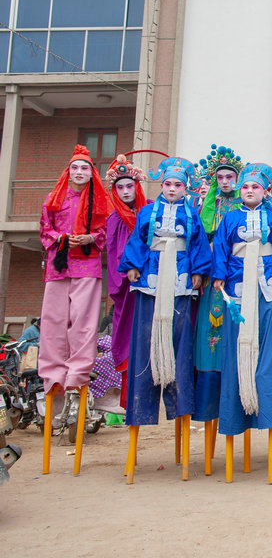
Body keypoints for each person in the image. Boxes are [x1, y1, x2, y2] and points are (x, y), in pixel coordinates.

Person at [119, 157, 212, 432]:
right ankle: (142, 407)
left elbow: (198, 244)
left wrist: (198, 271)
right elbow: (137, 240)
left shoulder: (192, 215)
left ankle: (180, 403)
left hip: (180, 277)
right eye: (168, 184)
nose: (172, 189)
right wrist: (133, 266)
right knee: (145, 337)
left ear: (187, 188)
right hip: (151, 277)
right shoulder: (146, 213)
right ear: (161, 185)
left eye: (178, 184)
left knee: (180, 339)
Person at [211, 163, 272, 456]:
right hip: (236, 290)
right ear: (240, 190)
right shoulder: (229, 218)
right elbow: (220, 249)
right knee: (237, 349)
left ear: (265, 191)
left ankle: (268, 415)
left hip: (268, 289)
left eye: (255, 187)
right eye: (245, 186)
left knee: (270, 352)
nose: (249, 191)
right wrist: (219, 276)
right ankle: (237, 413)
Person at [38, 144, 109, 400]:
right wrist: (62, 238)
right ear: (68, 171)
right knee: (53, 319)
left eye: (85, 168)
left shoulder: (100, 200)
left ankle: (78, 373)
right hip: (59, 264)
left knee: (84, 321)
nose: (79, 172)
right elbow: (45, 228)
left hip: (87, 265)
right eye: (75, 167)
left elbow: (106, 231)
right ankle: (52, 374)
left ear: (92, 173)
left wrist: (91, 237)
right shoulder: (54, 198)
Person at [194, 144, 243, 426]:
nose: (225, 182)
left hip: (237, 272)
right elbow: (200, 239)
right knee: (211, 325)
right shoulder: (206, 207)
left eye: (229, 177)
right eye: (220, 178)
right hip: (213, 273)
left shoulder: (244, 205)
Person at [104, 154, 148, 405]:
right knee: (130, 335)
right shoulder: (114, 220)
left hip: (152, 283)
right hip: (129, 288)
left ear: (137, 186)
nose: (125, 191)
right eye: (119, 187)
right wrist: (129, 272)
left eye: (129, 186)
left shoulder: (152, 210)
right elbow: (114, 255)